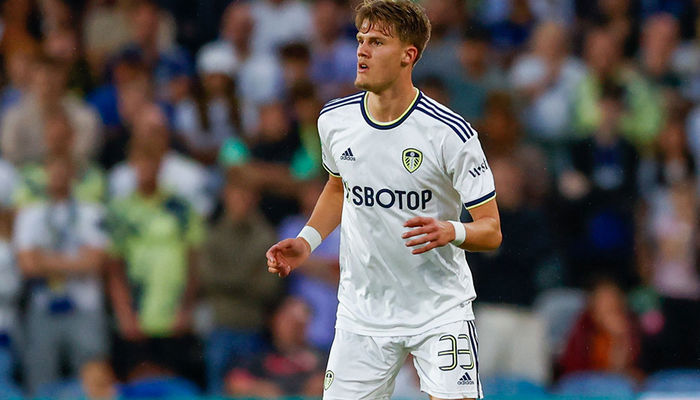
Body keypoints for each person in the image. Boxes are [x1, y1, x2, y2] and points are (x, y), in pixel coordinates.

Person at [266, 1, 502, 399]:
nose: (362, 50)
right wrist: (307, 242)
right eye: (361, 40)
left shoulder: (451, 134)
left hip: (438, 310)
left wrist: (451, 230)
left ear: (408, 55)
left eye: (376, 42)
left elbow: (491, 230)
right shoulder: (334, 121)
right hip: (363, 313)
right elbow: (339, 187)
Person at [14, 155, 109, 394]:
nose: (57, 175)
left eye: (63, 168)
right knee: (41, 382)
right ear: (44, 174)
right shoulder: (30, 215)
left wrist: (44, 259)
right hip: (44, 308)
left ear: (73, 173)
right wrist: (75, 261)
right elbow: (27, 266)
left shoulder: (92, 212)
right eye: (52, 168)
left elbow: (95, 263)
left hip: (85, 308)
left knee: (93, 382)